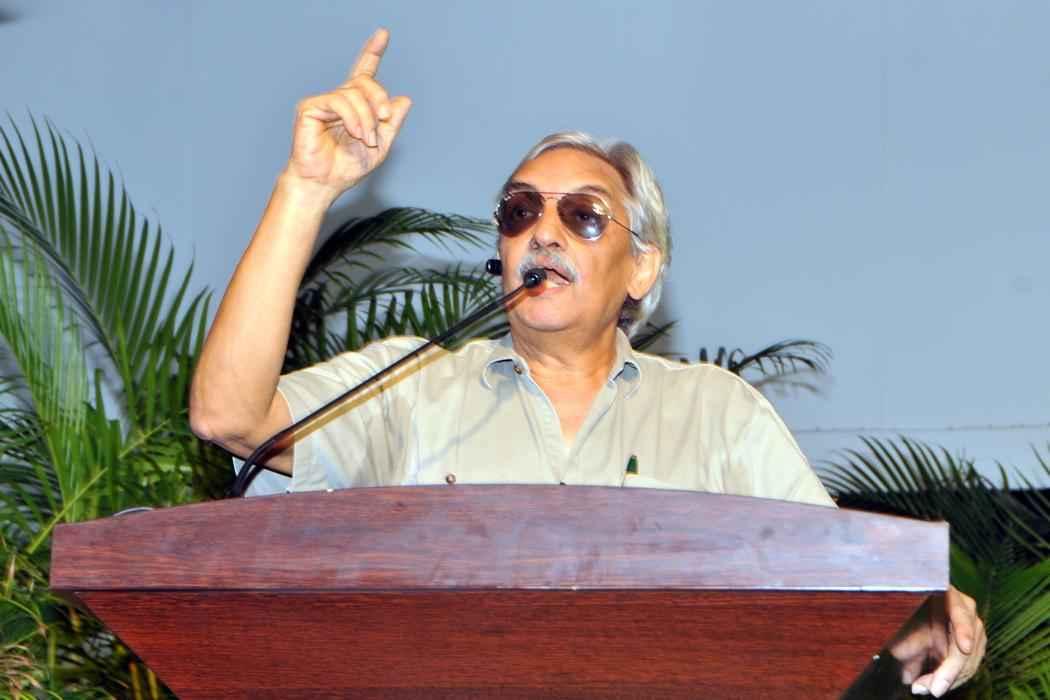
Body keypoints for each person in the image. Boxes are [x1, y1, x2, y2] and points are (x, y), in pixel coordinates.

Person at [189, 28, 985, 697]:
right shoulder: (411, 388)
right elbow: (229, 416)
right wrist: (305, 188)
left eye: (583, 216)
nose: (544, 232)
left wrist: (921, 611)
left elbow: (838, 587)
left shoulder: (717, 412)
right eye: (520, 211)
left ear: (641, 267)